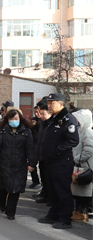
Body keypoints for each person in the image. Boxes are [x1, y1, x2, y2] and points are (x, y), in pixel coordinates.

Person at [37, 93, 79, 229]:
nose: (49, 105)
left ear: (61, 104)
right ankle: (54, 214)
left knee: (62, 190)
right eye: (49, 103)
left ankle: (65, 218)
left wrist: (57, 150)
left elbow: (73, 140)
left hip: (62, 161)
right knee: (52, 189)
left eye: (52, 103)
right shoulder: (55, 118)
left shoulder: (68, 119)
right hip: (51, 161)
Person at [0, 109, 35, 219]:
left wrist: (31, 163)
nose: (14, 121)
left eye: (16, 118)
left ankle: (11, 212)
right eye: (11, 119)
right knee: (3, 188)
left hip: (19, 164)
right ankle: (1, 202)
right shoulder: (3, 130)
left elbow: (30, 148)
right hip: (4, 163)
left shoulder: (26, 131)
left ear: (20, 119)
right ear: (7, 119)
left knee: (15, 189)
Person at [70, 109, 93, 222]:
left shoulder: (88, 132)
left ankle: (83, 214)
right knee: (78, 190)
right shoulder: (80, 130)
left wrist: (77, 158)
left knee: (85, 190)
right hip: (79, 165)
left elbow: (89, 150)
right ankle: (78, 212)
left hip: (85, 166)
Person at [28, 105, 43, 189]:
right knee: (31, 163)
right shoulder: (33, 120)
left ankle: (42, 183)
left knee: (42, 166)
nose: (37, 114)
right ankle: (35, 180)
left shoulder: (44, 120)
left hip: (41, 146)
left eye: (38, 112)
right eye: (35, 112)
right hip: (33, 145)